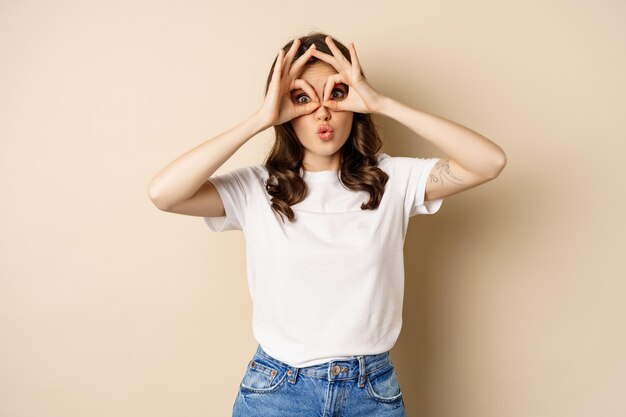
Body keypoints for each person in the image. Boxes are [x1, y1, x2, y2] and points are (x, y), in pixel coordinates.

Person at [148, 32, 507, 417]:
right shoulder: (256, 188)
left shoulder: (392, 180)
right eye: (302, 98)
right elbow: (164, 194)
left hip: (371, 393)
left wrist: (382, 103)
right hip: (277, 392)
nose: (322, 112)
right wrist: (259, 119)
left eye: (336, 93)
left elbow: (489, 162)